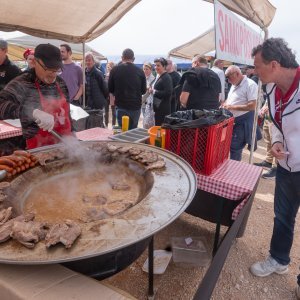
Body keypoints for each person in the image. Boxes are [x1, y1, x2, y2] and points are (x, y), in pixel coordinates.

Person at [249, 38, 300, 299]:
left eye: (257, 66)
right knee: (282, 216)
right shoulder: (270, 87)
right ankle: (279, 259)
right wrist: (278, 142)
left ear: (274, 64)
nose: (254, 71)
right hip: (286, 165)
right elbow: (275, 121)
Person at [0, 43, 73, 149]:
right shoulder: (22, 82)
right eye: (48, 69)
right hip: (37, 150)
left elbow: (67, 114)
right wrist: (32, 112)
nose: (53, 75)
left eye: (56, 69)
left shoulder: (60, 83)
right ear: (35, 62)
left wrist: (73, 135)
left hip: (65, 146)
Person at [222, 65, 258, 161]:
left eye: (229, 77)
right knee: (229, 146)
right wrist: (224, 105)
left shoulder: (251, 85)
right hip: (231, 121)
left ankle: (233, 171)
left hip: (242, 122)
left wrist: (231, 107)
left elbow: (252, 106)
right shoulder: (235, 84)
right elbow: (230, 99)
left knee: (235, 148)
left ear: (237, 74)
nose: (228, 81)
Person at [108, 48, 146, 129]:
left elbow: (110, 89)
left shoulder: (114, 70)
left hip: (121, 106)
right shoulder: (140, 71)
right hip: (135, 106)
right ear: (134, 58)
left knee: (122, 131)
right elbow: (143, 91)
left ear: (122, 58)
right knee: (133, 132)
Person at [254, 100, 277, 179]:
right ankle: (268, 161)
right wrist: (263, 109)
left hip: (276, 120)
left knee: (276, 143)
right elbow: (268, 100)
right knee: (268, 141)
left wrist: (269, 107)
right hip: (268, 118)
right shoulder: (271, 88)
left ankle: (276, 167)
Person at [85, 52, 108, 128]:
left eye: (89, 60)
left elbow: (104, 88)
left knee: (98, 123)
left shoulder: (98, 73)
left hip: (97, 103)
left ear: (93, 61)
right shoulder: (84, 72)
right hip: (88, 103)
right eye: (86, 60)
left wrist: (102, 100)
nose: (88, 62)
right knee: (90, 123)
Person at [149, 57, 173, 126]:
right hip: (158, 108)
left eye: (158, 65)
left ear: (164, 66)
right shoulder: (160, 76)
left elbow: (168, 93)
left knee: (160, 130)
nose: (156, 67)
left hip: (163, 109)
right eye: (155, 65)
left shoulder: (166, 77)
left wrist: (154, 91)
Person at [104, 61, 116, 127]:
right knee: (106, 112)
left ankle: (113, 126)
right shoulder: (106, 75)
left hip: (113, 95)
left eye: (110, 66)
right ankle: (106, 125)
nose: (109, 68)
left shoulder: (115, 75)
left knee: (114, 112)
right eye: (108, 66)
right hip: (106, 95)